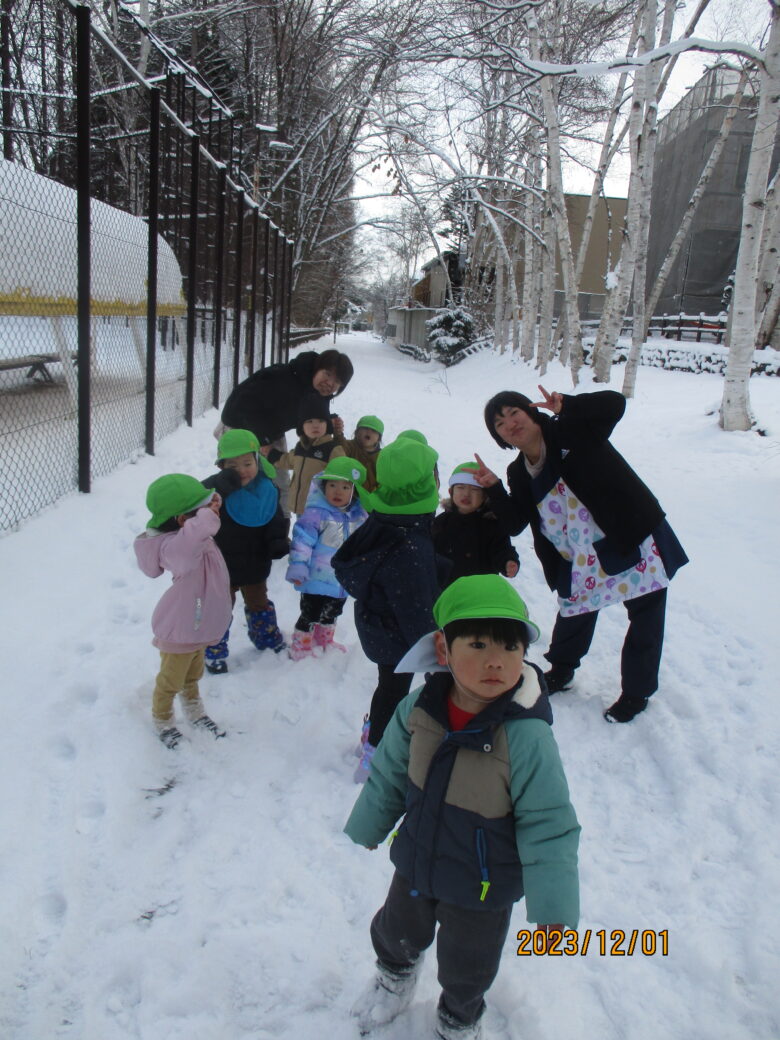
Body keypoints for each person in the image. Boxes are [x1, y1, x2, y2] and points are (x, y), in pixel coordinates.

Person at [344, 575, 580, 1040]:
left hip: (483, 885)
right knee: (395, 930)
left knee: (468, 963)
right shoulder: (419, 709)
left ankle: (459, 1017)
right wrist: (370, 825)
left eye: (510, 647)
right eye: (477, 644)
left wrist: (553, 904)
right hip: (417, 859)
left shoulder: (526, 736)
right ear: (443, 648)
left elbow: (548, 823)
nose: (496, 660)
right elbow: (390, 772)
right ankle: (394, 978)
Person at [477, 386, 688, 723]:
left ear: (532, 413)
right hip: (577, 553)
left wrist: (569, 406)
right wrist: (493, 489)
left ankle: (636, 693)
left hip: (626, 535)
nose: (510, 423)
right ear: (499, 437)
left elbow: (615, 405)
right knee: (574, 610)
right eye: (499, 423)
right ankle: (561, 670)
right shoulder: (518, 472)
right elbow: (516, 523)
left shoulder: (571, 430)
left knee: (646, 617)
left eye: (514, 413)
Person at [333, 436, 443, 782]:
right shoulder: (410, 545)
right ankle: (375, 757)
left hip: (378, 624)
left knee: (388, 687)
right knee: (394, 691)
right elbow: (417, 611)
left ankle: (371, 738)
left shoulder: (386, 519)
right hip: (398, 635)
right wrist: (435, 654)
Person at [134, 474, 233, 748]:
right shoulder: (176, 548)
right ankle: (163, 720)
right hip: (182, 626)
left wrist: (208, 504)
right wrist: (205, 515)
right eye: (203, 510)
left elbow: (199, 529)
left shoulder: (190, 537)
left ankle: (194, 711)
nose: (211, 514)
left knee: (192, 676)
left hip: (198, 624)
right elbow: (195, 536)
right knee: (170, 681)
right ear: (183, 520)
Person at [218, 348, 353, 517]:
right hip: (238, 427)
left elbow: (309, 417)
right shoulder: (283, 379)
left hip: (272, 430)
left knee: (279, 482)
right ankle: (231, 520)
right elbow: (242, 404)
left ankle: (281, 525)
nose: (329, 383)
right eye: (327, 374)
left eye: (337, 381)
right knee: (245, 479)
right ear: (317, 368)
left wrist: (329, 423)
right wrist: (264, 440)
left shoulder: (320, 392)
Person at [200, 429, 287, 674]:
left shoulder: (267, 489)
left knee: (259, 602)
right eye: (233, 465)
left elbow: (275, 517)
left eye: (248, 463)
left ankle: (266, 637)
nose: (242, 470)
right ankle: (214, 650)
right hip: (222, 564)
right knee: (221, 608)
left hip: (255, 561)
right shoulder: (215, 490)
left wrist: (278, 539)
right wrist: (218, 486)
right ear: (221, 466)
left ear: (257, 461)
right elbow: (194, 498)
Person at [285, 456, 369, 660]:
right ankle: (301, 646)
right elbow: (302, 540)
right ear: (324, 486)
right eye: (332, 485)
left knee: (332, 612)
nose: (338, 491)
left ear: (354, 491)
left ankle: (324, 640)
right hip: (315, 578)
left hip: (340, 580)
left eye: (345, 487)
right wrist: (298, 565)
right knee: (310, 613)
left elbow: (364, 544)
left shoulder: (360, 516)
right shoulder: (316, 513)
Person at [432, 461, 520, 586]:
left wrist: (507, 561)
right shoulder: (441, 521)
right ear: (451, 492)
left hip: (481, 588)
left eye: (475, 489)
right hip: (447, 588)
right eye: (460, 487)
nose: (466, 494)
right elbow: (430, 550)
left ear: (484, 496)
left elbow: (502, 549)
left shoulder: (492, 525)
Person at [267, 393, 346, 515]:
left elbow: (343, 477)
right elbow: (288, 460)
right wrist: (272, 454)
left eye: (321, 421)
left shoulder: (332, 449)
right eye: (309, 421)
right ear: (302, 427)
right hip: (300, 508)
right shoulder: (300, 447)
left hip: (320, 510)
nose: (315, 425)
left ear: (327, 425)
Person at [333, 414, 384, 491]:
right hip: (348, 492)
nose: (369, 432)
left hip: (370, 495)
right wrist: (338, 434)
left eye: (374, 431)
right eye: (365, 428)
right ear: (356, 432)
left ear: (378, 438)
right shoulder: (350, 446)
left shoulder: (382, 457)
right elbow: (340, 448)